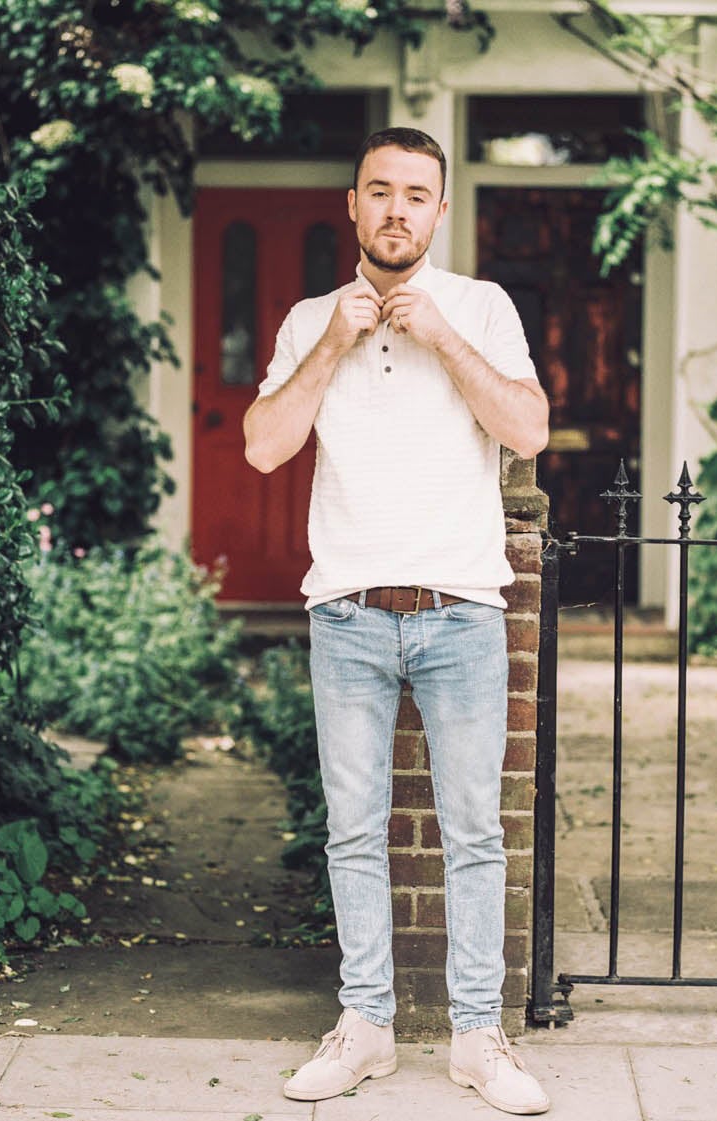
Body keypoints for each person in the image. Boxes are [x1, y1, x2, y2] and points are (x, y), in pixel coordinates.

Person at [242, 126, 551, 1116]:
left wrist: (443, 338)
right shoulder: (308, 319)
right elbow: (260, 446)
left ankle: (476, 1037)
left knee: (472, 833)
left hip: (461, 607)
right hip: (347, 612)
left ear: (440, 210)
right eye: (380, 190)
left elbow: (527, 428)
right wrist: (335, 341)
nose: (396, 209)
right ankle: (366, 1027)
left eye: (417, 194)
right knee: (354, 832)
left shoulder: (482, 308)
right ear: (353, 204)